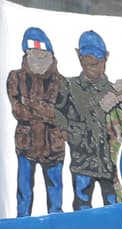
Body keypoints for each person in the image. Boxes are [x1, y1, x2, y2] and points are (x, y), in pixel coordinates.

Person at [7, 27, 65, 216]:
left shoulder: (61, 82)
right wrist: (45, 108)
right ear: (27, 54)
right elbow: (18, 110)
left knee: (55, 195)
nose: (39, 60)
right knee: (24, 193)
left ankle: (57, 225)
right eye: (34, 55)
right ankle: (21, 224)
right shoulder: (15, 77)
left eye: (43, 56)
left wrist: (32, 105)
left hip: (53, 146)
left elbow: (59, 115)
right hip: (26, 144)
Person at [55, 31, 116, 210]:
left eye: (96, 62)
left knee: (112, 203)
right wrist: (67, 132)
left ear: (106, 58)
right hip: (82, 160)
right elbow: (58, 110)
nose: (92, 68)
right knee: (81, 203)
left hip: (107, 163)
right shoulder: (69, 86)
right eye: (87, 62)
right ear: (79, 58)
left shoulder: (113, 91)